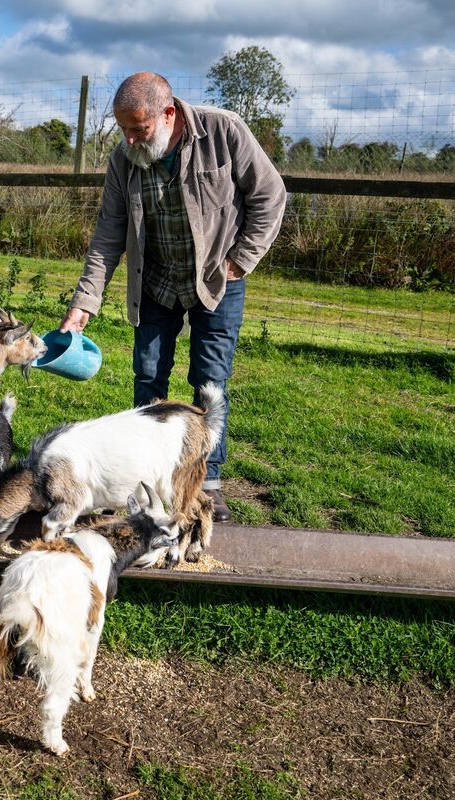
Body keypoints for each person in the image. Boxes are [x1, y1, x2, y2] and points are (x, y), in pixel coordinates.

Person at [59, 72, 286, 522]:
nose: (129, 138)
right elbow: (108, 234)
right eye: (123, 129)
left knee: (210, 379)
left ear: (168, 113)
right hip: (155, 282)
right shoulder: (124, 158)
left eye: (138, 129)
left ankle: (207, 482)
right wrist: (84, 302)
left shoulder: (223, 131)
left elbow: (270, 195)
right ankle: (143, 481)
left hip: (217, 281)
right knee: (148, 378)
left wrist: (240, 261)